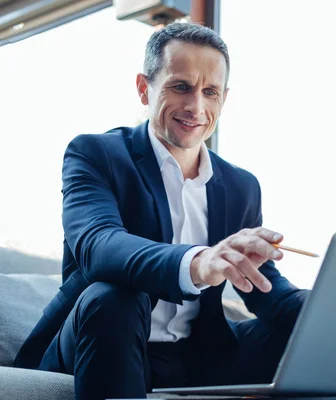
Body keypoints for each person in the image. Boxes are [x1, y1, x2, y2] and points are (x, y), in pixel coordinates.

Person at [14, 22, 308, 400]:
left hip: (197, 357)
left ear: (224, 99)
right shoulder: (96, 154)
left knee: (304, 325)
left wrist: (324, 306)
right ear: (144, 88)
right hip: (106, 338)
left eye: (210, 92)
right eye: (180, 86)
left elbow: (261, 284)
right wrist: (198, 262)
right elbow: (99, 246)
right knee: (115, 296)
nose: (196, 107)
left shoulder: (241, 185)